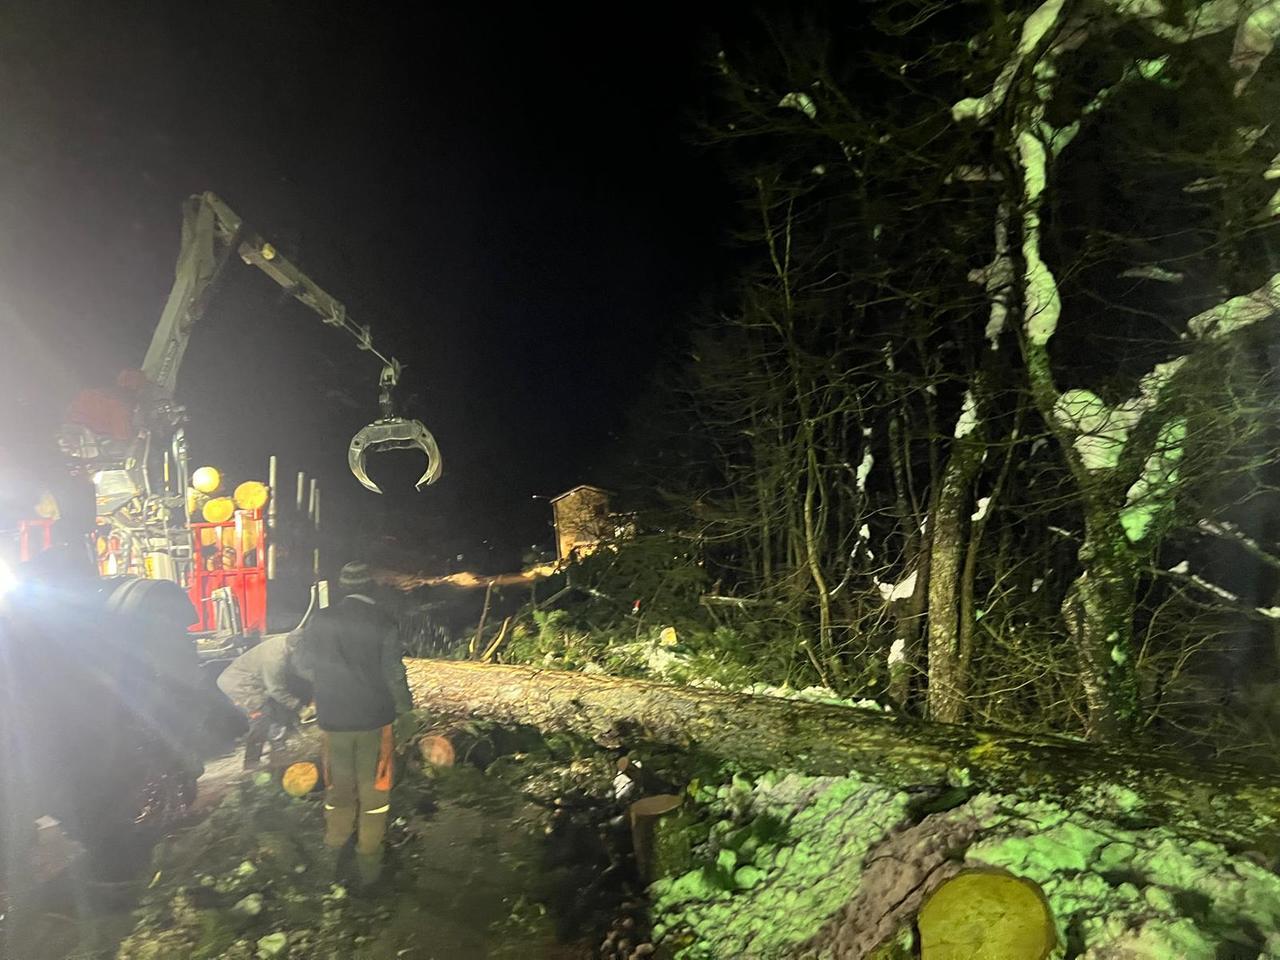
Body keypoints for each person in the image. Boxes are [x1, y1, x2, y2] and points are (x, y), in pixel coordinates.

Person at [293, 561, 412, 889]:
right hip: (375, 724)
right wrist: (407, 713)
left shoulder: (320, 620)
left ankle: (333, 857)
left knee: (338, 791)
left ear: (343, 587)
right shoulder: (383, 622)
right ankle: (369, 868)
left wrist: (330, 680)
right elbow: (394, 674)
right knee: (374, 796)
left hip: (333, 724)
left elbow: (301, 663)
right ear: (370, 588)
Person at [216, 632, 308, 768]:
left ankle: (279, 753)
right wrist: (299, 707)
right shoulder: (274, 660)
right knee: (261, 717)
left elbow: (299, 668)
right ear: (296, 648)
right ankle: (251, 763)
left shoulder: (287, 642)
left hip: (253, 681)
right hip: (239, 684)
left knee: (276, 711)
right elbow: (276, 690)